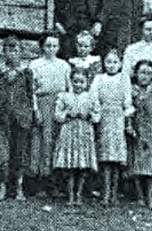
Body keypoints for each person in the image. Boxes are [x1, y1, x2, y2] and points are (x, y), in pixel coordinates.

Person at [0, 35, 36, 201]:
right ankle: (2, 188)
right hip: (2, 118)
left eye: (15, 50)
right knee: (2, 154)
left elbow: (31, 96)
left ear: (21, 52)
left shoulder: (26, 72)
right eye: (8, 50)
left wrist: (31, 114)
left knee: (20, 153)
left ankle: (18, 188)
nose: (11, 54)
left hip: (21, 118)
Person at [28, 32, 71, 193]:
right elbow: (31, 90)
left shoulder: (64, 65)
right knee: (40, 142)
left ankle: (54, 182)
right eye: (48, 46)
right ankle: (39, 181)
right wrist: (36, 110)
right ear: (42, 47)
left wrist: (66, 107)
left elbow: (68, 88)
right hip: (42, 103)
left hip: (58, 104)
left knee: (55, 142)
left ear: (58, 47)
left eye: (54, 46)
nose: (51, 49)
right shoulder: (35, 65)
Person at [52, 68, 100, 206]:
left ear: (87, 83)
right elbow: (57, 115)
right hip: (69, 132)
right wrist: (67, 114)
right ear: (71, 82)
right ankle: (70, 195)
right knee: (70, 166)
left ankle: (79, 194)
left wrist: (89, 116)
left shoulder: (91, 97)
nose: (78, 85)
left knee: (82, 166)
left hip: (84, 132)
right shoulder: (64, 96)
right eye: (75, 82)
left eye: (81, 82)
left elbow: (97, 116)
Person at [92, 48, 133, 205]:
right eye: (108, 62)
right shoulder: (99, 79)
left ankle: (114, 193)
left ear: (120, 64)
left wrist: (127, 121)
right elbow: (94, 99)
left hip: (118, 119)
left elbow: (127, 102)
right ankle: (105, 192)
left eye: (115, 62)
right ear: (103, 63)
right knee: (105, 158)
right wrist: (96, 116)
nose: (111, 65)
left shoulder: (124, 79)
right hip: (104, 118)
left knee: (116, 159)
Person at [127, 59, 152, 208]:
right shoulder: (131, 90)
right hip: (137, 131)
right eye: (142, 72)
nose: (145, 76)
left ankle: (150, 196)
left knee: (151, 165)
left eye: (149, 73)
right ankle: (139, 196)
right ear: (136, 73)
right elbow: (128, 110)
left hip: (151, 131)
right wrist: (129, 126)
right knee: (136, 163)